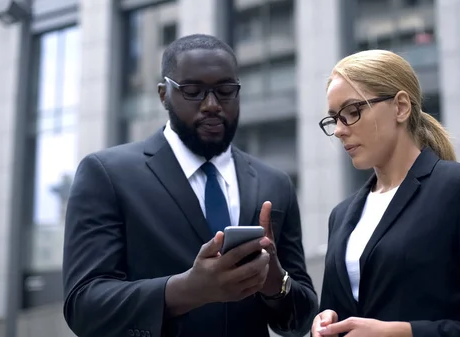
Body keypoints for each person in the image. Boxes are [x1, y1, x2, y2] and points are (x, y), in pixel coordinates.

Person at [63, 34, 317, 337]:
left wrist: (275, 281)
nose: (212, 105)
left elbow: (301, 321)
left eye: (225, 91)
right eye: (193, 92)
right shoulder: (107, 174)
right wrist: (188, 290)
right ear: (163, 95)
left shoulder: (274, 184)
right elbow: (84, 305)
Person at [310, 50, 460, 337]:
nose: (341, 130)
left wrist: (403, 333)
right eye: (334, 119)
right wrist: (325, 323)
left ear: (401, 107)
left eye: (352, 112)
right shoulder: (341, 216)